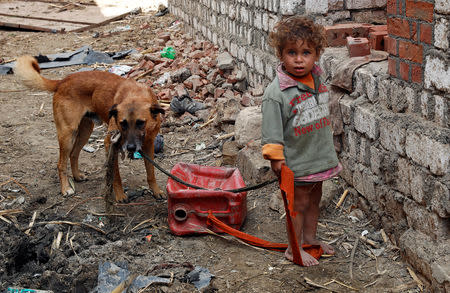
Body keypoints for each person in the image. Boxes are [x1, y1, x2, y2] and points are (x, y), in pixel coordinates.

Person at [261, 16, 342, 266]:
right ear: (280, 54)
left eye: (306, 52)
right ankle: (293, 248)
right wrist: (277, 160)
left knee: (314, 199)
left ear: (317, 54)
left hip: (317, 158)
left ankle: (310, 239)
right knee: (298, 203)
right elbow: (272, 132)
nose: (299, 59)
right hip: (296, 162)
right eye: (291, 52)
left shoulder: (316, 79)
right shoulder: (277, 94)